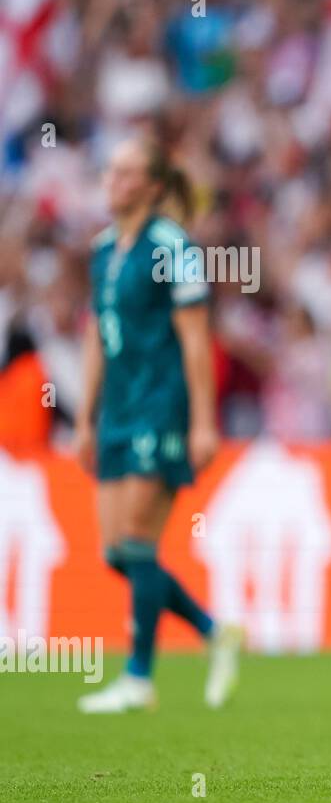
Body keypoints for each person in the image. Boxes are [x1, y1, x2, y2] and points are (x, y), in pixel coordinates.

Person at [73, 137, 241, 714]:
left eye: (126, 173)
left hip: (160, 407)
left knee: (141, 541)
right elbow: (97, 334)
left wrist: (202, 421)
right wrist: (84, 417)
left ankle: (139, 677)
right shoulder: (102, 251)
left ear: (152, 184)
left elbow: (196, 340)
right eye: (110, 169)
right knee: (116, 551)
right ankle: (212, 630)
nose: (113, 180)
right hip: (117, 411)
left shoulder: (174, 247)